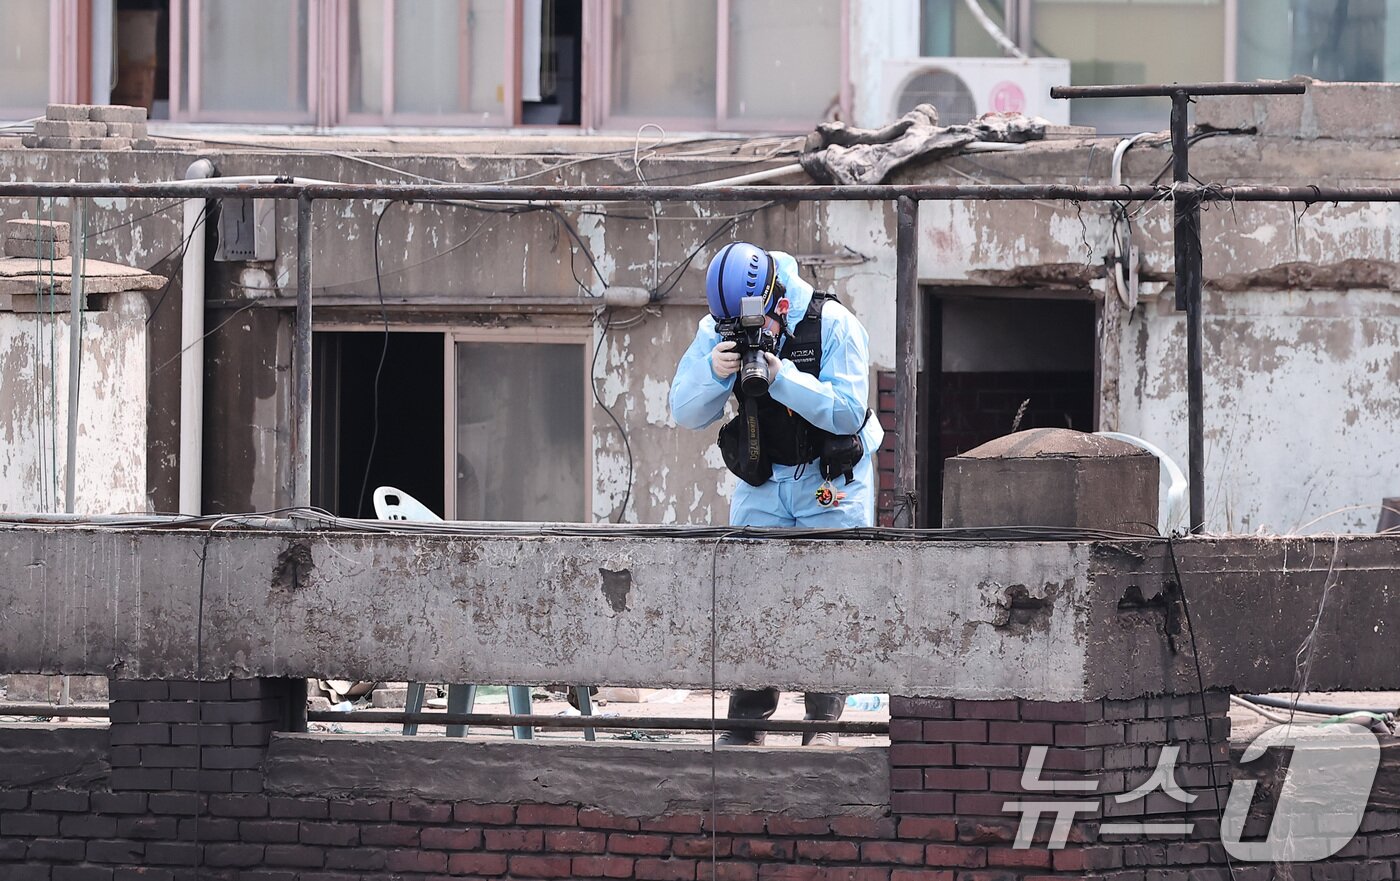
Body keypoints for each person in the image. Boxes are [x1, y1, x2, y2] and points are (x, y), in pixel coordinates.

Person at [669, 242, 883, 746]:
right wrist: (714, 372)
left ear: (776, 295)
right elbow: (684, 411)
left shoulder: (832, 323)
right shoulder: (716, 329)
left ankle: (822, 729)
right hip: (763, 479)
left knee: (826, 601)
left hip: (830, 478)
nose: (745, 332)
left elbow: (849, 413)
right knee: (748, 595)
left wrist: (784, 377)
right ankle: (745, 727)